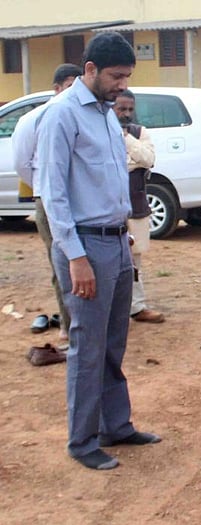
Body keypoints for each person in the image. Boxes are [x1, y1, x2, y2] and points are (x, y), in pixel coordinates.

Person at [37, 32, 161, 470]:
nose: (122, 86)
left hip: (115, 240)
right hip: (84, 246)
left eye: (127, 77)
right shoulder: (62, 115)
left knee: (112, 342)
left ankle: (116, 426)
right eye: (116, 76)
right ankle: (83, 440)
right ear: (89, 69)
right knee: (87, 347)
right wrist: (75, 257)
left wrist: (122, 231)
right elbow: (53, 194)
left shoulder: (107, 114)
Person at [12, 63, 82, 345]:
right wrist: (47, 188)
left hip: (83, 200)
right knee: (61, 262)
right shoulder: (34, 118)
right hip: (50, 202)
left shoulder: (86, 116)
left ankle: (89, 322)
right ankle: (68, 323)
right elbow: (22, 163)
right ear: (56, 88)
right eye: (69, 87)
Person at [113, 89, 165, 324]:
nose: (126, 114)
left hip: (136, 206)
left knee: (135, 260)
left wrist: (126, 138)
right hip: (108, 208)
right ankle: (114, 311)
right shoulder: (100, 132)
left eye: (130, 109)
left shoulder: (139, 132)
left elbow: (148, 159)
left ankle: (136, 307)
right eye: (121, 109)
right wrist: (133, 162)